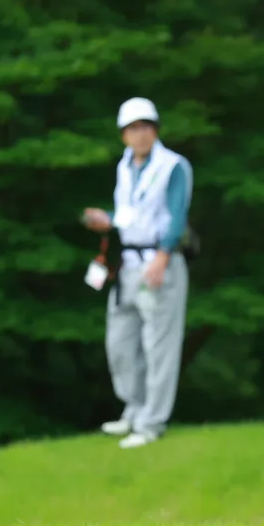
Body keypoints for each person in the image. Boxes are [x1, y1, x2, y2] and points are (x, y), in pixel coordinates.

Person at [81, 97, 193, 449]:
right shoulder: (124, 166)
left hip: (159, 262)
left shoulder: (173, 166)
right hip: (127, 262)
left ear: (155, 130)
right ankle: (134, 408)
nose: (139, 134)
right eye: (132, 128)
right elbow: (132, 213)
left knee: (158, 345)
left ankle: (151, 423)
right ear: (123, 135)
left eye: (145, 126)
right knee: (120, 343)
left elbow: (176, 215)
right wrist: (108, 221)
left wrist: (162, 256)